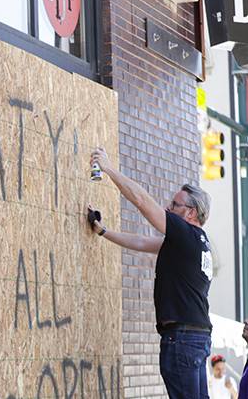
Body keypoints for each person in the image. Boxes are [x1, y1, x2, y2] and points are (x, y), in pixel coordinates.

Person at [88, 147, 213, 398]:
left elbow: (142, 202)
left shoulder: (184, 234)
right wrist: (103, 231)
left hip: (183, 340)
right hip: (195, 339)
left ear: (191, 212)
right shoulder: (197, 242)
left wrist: (109, 168)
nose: (168, 208)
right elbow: (143, 243)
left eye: (174, 205)